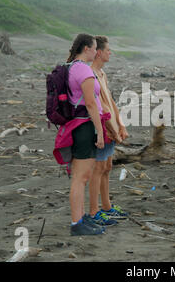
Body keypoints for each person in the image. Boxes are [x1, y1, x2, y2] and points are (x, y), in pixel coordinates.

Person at [65, 33, 107, 236]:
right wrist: (99, 132)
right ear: (86, 49)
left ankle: (80, 220)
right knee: (80, 178)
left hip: (80, 126)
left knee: (82, 176)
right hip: (84, 126)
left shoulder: (74, 67)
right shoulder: (82, 69)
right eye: (94, 47)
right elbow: (90, 103)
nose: (96, 51)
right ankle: (76, 223)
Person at [88, 35, 129, 224]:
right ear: (99, 52)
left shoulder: (102, 74)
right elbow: (100, 107)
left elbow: (111, 102)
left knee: (107, 167)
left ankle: (107, 206)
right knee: (98, 168)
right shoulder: (91, 74)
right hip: (103, 128)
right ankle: (95, 212)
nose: (110, 53)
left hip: (111, 126)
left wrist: (120, 125)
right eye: (107, 50)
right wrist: (112, 129)